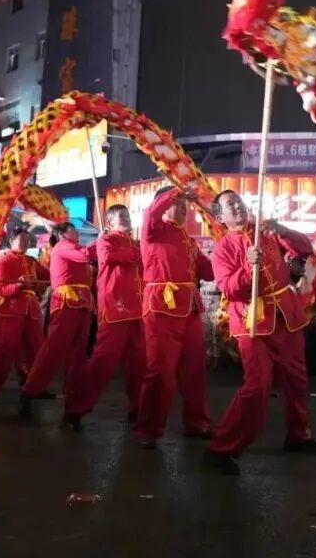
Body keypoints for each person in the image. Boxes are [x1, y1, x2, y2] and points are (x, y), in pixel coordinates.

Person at [203, 190, 316, 474]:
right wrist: (249, 266)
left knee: (297, 379)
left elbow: (303, 248)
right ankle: (221, 448)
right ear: (220, 218)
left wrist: (282, 230)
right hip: (252, 322)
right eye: (230, 205)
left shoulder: (265, 231)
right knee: (257, 386)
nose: (237, 206)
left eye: (238, 201)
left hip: (285, 315)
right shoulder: (223, 248)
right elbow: (229, 289)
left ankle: (299, 435)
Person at [133, 185, 214, 448]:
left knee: (195, 370)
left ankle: (197, 422)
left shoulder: (189, 240)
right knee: (160, 372)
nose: (181, 209)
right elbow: (151, 213)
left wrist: (236, 257)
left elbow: (209, 271)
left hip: (190, 308)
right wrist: (176, 190)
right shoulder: (153, 229)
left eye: (183, 205)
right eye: (175, 204)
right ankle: (148, 429)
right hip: (161, 307)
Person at [70, 205, 146, 422]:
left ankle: (138, 407)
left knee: (139, 364)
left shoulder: (135, 243)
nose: (127, 218)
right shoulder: (105, 240)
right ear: (110, 222)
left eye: (128, 214)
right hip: (115, 308)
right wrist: (137, 253)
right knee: (102, 362)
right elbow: (108, 256)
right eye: (122, 216)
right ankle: (77, 407)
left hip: (138, 310)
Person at [19, 222, 93, 429]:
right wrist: (105, 240)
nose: (76, 232)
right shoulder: (63, 247)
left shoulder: (75, 249)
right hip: (65, 303)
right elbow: (85, 255)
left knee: (78, 358)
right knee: (52, 351)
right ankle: (29, 391)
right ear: (61, 235)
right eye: (72, 230)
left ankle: (73, 409)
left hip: (82, 304)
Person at [0, 227, 49, 404]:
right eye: (22, 239)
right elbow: (1, 289)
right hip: (11, 310)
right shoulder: (2, 261)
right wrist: (19, 285)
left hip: (32, 310)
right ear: (11, 241)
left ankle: (35, 386)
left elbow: (48, 275)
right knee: (4, 350)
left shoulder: (32, 261)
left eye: (28, 239)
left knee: (38, 349)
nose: (26, 242)